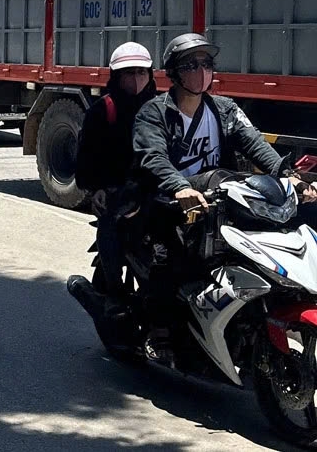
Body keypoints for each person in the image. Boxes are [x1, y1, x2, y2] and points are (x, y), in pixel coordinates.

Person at [131, 33, 317, 295]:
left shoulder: (224, 109)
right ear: (174, 72)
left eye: (206, 64)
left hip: (220, 203)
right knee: (166, 271)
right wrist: (179, 187)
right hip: (173, 205)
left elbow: (256, 145)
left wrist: (290, 176)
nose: (201, 72)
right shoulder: (154, 112)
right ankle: (160, 331)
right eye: (191, 65)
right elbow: (153, 156)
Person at [75, 42, 156, 300]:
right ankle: (114, 294)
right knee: (110, 231)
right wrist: (96, 188)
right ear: (117, 76)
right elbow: (87, 157)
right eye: (128, 73)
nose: (136, 79)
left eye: (141, 72)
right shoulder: (103, 110)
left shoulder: (162, 108)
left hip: (155, 191)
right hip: (117, 189)